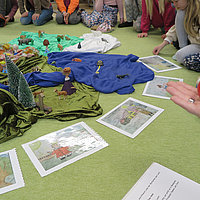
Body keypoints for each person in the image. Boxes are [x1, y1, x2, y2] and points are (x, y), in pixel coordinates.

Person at [153, 0, 200, 65]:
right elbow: (177, 27)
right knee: (180, 55)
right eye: (173, 2)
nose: (174, 5)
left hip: (197, 43)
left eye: (176, 1)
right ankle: (183, 48)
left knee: (183, 57)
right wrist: (163, 44)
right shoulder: (185, 9)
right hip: (193, 42)